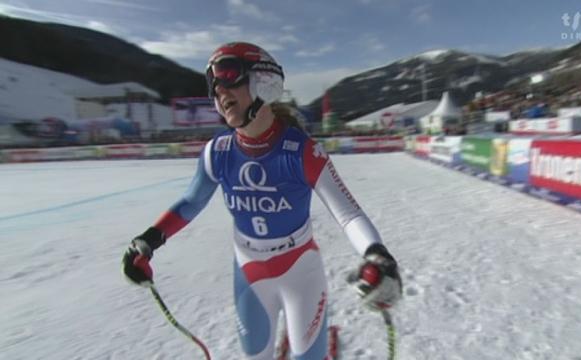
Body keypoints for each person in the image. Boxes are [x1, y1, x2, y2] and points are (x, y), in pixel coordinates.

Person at [122, 41, 402, 360]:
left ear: (264, 83)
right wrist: (147, 241)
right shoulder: (218, 152)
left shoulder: (301, 151)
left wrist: (377, 253)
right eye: (213, 84)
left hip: (300, 272)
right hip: (249, 271)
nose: (219, 92)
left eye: (228, 76)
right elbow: (190, 202)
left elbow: (349, 214)